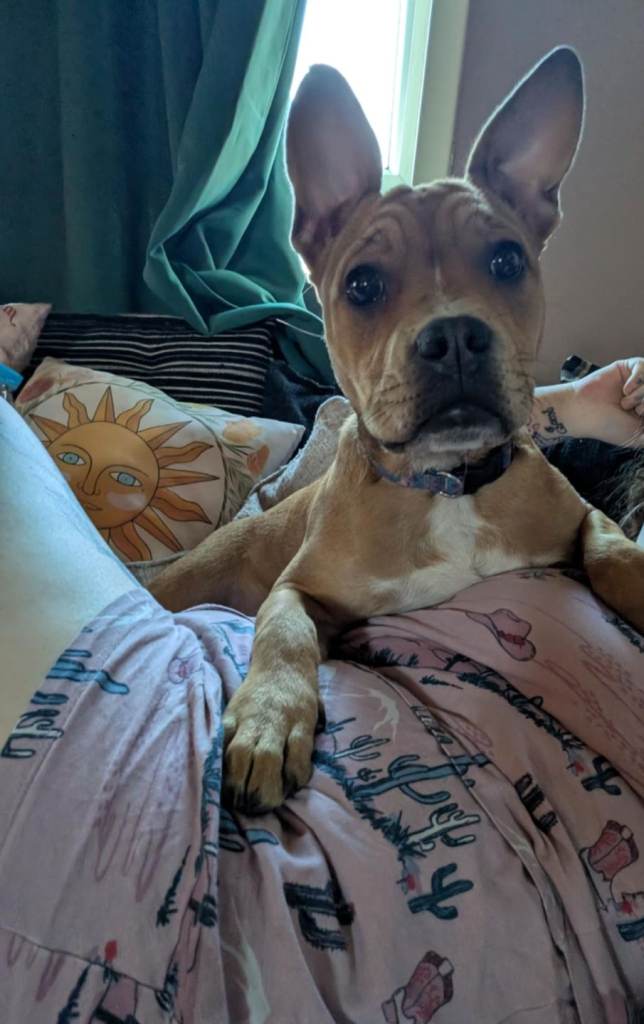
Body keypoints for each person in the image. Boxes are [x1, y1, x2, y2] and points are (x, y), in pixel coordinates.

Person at [0, 358, 643, 1023]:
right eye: (367, 298)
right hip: (175, 694)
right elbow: (298, 589)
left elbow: (578, 517)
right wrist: (574, 404)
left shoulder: (549, 501)